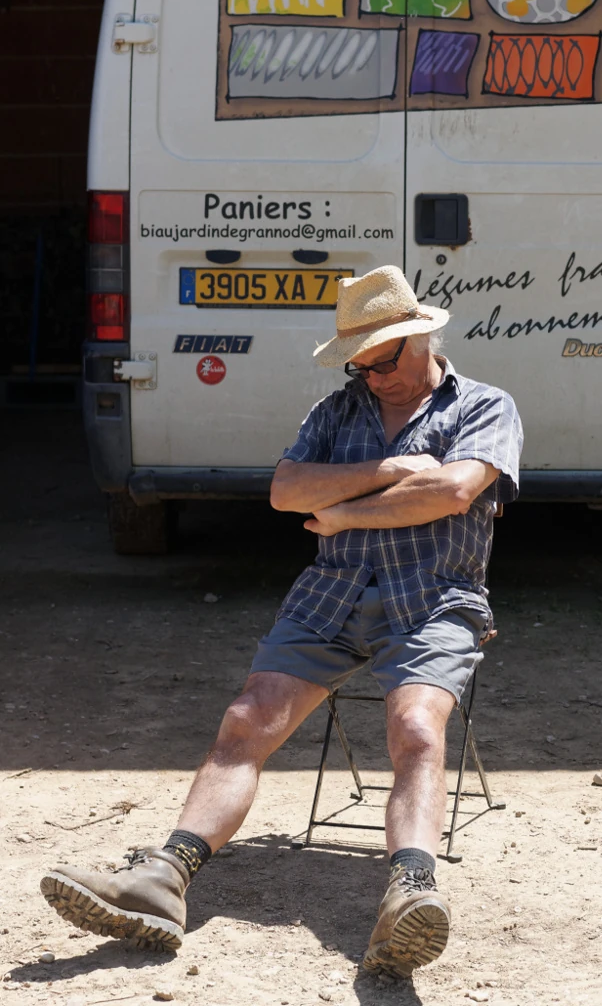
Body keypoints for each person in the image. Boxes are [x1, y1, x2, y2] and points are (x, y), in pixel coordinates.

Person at [40, 265, 522, 978]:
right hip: (331, 590)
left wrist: (344, 514)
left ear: (421, 340)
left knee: (417, 727)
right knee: (247, 718)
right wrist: (391, 469)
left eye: (383, 362)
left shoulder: (484, 405)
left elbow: (452, 490)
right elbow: (286, 489)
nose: (372, 378)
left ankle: (410, 892)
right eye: (359, 365)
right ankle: (164, 877)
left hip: (434, 597)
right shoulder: (337, 411)